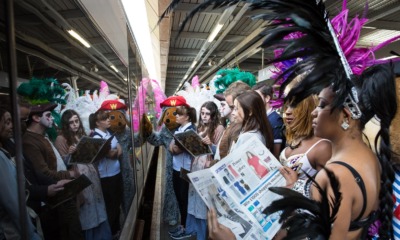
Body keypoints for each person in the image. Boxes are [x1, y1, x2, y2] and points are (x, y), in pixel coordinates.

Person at [23, 102, 84, 240]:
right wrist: (71, 174)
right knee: (70, 233)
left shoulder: (42, 136)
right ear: (36, 118)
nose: (52, 119)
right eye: (48, 115)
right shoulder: (29, 141)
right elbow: (43, 173)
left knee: (74, 231)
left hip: (63, 192)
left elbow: (57, 163)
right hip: (54, 197)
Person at [55, 109, 112, 240]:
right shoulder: (61, 139)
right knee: (87, 211)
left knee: (99, 207)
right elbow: (61, 164)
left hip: (92, 175)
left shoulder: (82, 135)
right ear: (65, 124)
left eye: (76, 121)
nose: (75, 124)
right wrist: (70, 153)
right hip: (79, 179)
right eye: (71, 122)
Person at [182, 101, 225, 240]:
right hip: (196, 165)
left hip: (207, 169)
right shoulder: (199, 127)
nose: (204, 116)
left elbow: (220, 153)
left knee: (203, 203)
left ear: (213, 115)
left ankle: (202, 235)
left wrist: (210, 145)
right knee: (193, 200)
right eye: (202, 113)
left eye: (207, 114)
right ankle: (192, 230)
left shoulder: (219, 128)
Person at [0, 107, 41, 240]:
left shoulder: (6, 148)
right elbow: (13, 203)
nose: (12, 126)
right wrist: (32, 234)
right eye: (7, 122)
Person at [279, 95, 332, 180]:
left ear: (308, 111)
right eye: (287, 106)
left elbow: (331, 190)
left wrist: (295, 185)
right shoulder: (292, 141)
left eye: (294, 106)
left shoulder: (322, 147)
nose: (288, 111)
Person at [89, 109, 122, 238]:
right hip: (106, 177)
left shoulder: (108, 133)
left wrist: (116, 151)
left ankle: (116, 229)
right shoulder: (96, 138)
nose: (108, 120)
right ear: (97, 123)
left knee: (116, 203)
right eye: (104, 119)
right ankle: (112, 232)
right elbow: (113, 155)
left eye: (108, 117)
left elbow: (119, 149)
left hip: (115, 173)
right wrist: (116, 151)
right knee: (111, 205)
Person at [168, 104, 197, 238]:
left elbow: (176, 149)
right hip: (177, 168)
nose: (176, 116)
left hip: (185, 170)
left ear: (187, 117)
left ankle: (186, 228)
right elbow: (171, 148)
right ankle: (183, 224)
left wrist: (173, 148)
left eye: (179, 114)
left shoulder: (190, 130)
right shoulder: (179, 129)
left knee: (184, 199)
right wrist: (173, 148)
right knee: (180, 198)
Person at [252, 81, 285, 158]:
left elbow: (275, 154)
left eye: (257, 96)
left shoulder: (275, 120)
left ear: (267, 98)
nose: (253, 100)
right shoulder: (263, 118)